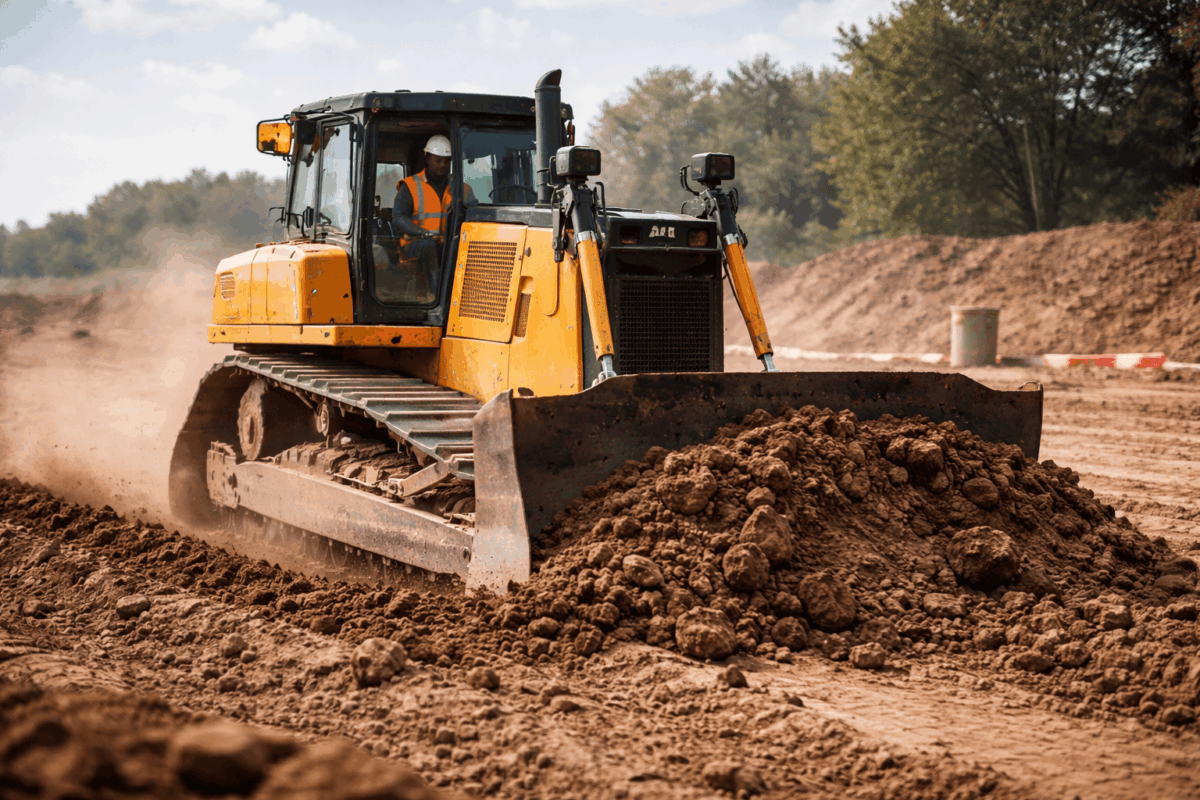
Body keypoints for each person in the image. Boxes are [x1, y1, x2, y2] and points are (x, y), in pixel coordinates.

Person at [391, 135, 476, 297]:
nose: (443, 165)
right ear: (427, 158)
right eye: (438, 160)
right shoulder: (410, 186)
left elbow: (475, 216)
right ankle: (438, 296)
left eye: (447, 161)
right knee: (429, 246)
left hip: (448, 244)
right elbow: (398, 218)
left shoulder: (463, 189)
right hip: (415, 245)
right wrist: (425, 234)